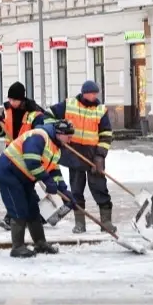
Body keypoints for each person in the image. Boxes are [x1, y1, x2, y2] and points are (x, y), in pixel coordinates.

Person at [0, 120, 77, 258]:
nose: (70, 141)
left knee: (32, 209)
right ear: (60, 134)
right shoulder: (39, 137)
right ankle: (17, 247)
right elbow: (31, 161)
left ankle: (40, 243)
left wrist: (63, 190)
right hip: (8, 173)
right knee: (19, 209)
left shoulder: (56, 147)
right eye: (69, 137)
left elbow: (54, 170)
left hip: (25, 178)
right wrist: (47, 180)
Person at [46, 80, 115, 234]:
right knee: (76, 190)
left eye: (96, 93)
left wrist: (100, 157)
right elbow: (48, 115)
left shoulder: (101, 110)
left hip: (93, 157)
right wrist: (59, 132)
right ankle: (80, 224)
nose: (94, 96)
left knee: (100, 189)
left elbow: (106, 134)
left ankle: (106, 222)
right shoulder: (69, 104)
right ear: (84, 93)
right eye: (91, 93)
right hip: (74, 156)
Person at [0, 82, 46, 231]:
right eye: (10, 99)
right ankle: (36, 215)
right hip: (11, 155)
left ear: (21, 99)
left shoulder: (35, 114)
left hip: (27, 155)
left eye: (14, 100)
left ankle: (13, 217)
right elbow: (2, 132)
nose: (11, 102)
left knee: (21, 186)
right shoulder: (7, 110)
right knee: (22, 186)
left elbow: (40, 136)